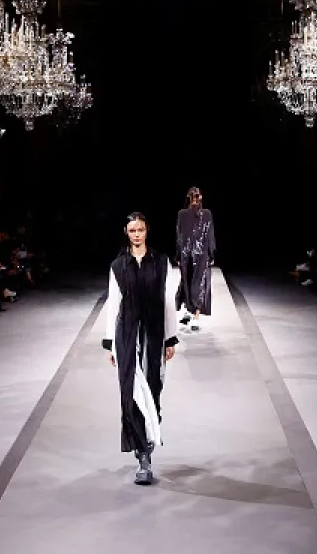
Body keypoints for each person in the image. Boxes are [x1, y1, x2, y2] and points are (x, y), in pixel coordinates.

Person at [103, 212, 180, 486]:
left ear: (147, 231)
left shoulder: (161, 262)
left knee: (152, 388)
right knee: (130, 393)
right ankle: (142, 457)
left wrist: (171, 338)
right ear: (126, 231)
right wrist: (111, 343)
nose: (137, 234)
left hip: (154, 334)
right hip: (126, 335)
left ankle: (148, 440)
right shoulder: (118, 266)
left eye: (141, 229)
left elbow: (168, 301)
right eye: (133, 230)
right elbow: (113, 305)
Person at [175, 187, 215, 331]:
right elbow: (209, 235)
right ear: (201, 197)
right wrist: (211, 254)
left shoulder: (183, 214)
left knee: (189, 282)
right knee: (198, 284)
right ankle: (193, 315)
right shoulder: (206, 214)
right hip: (199, 254)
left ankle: (192, 314)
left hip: (188, 253)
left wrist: (178, 255)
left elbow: (179, 237)